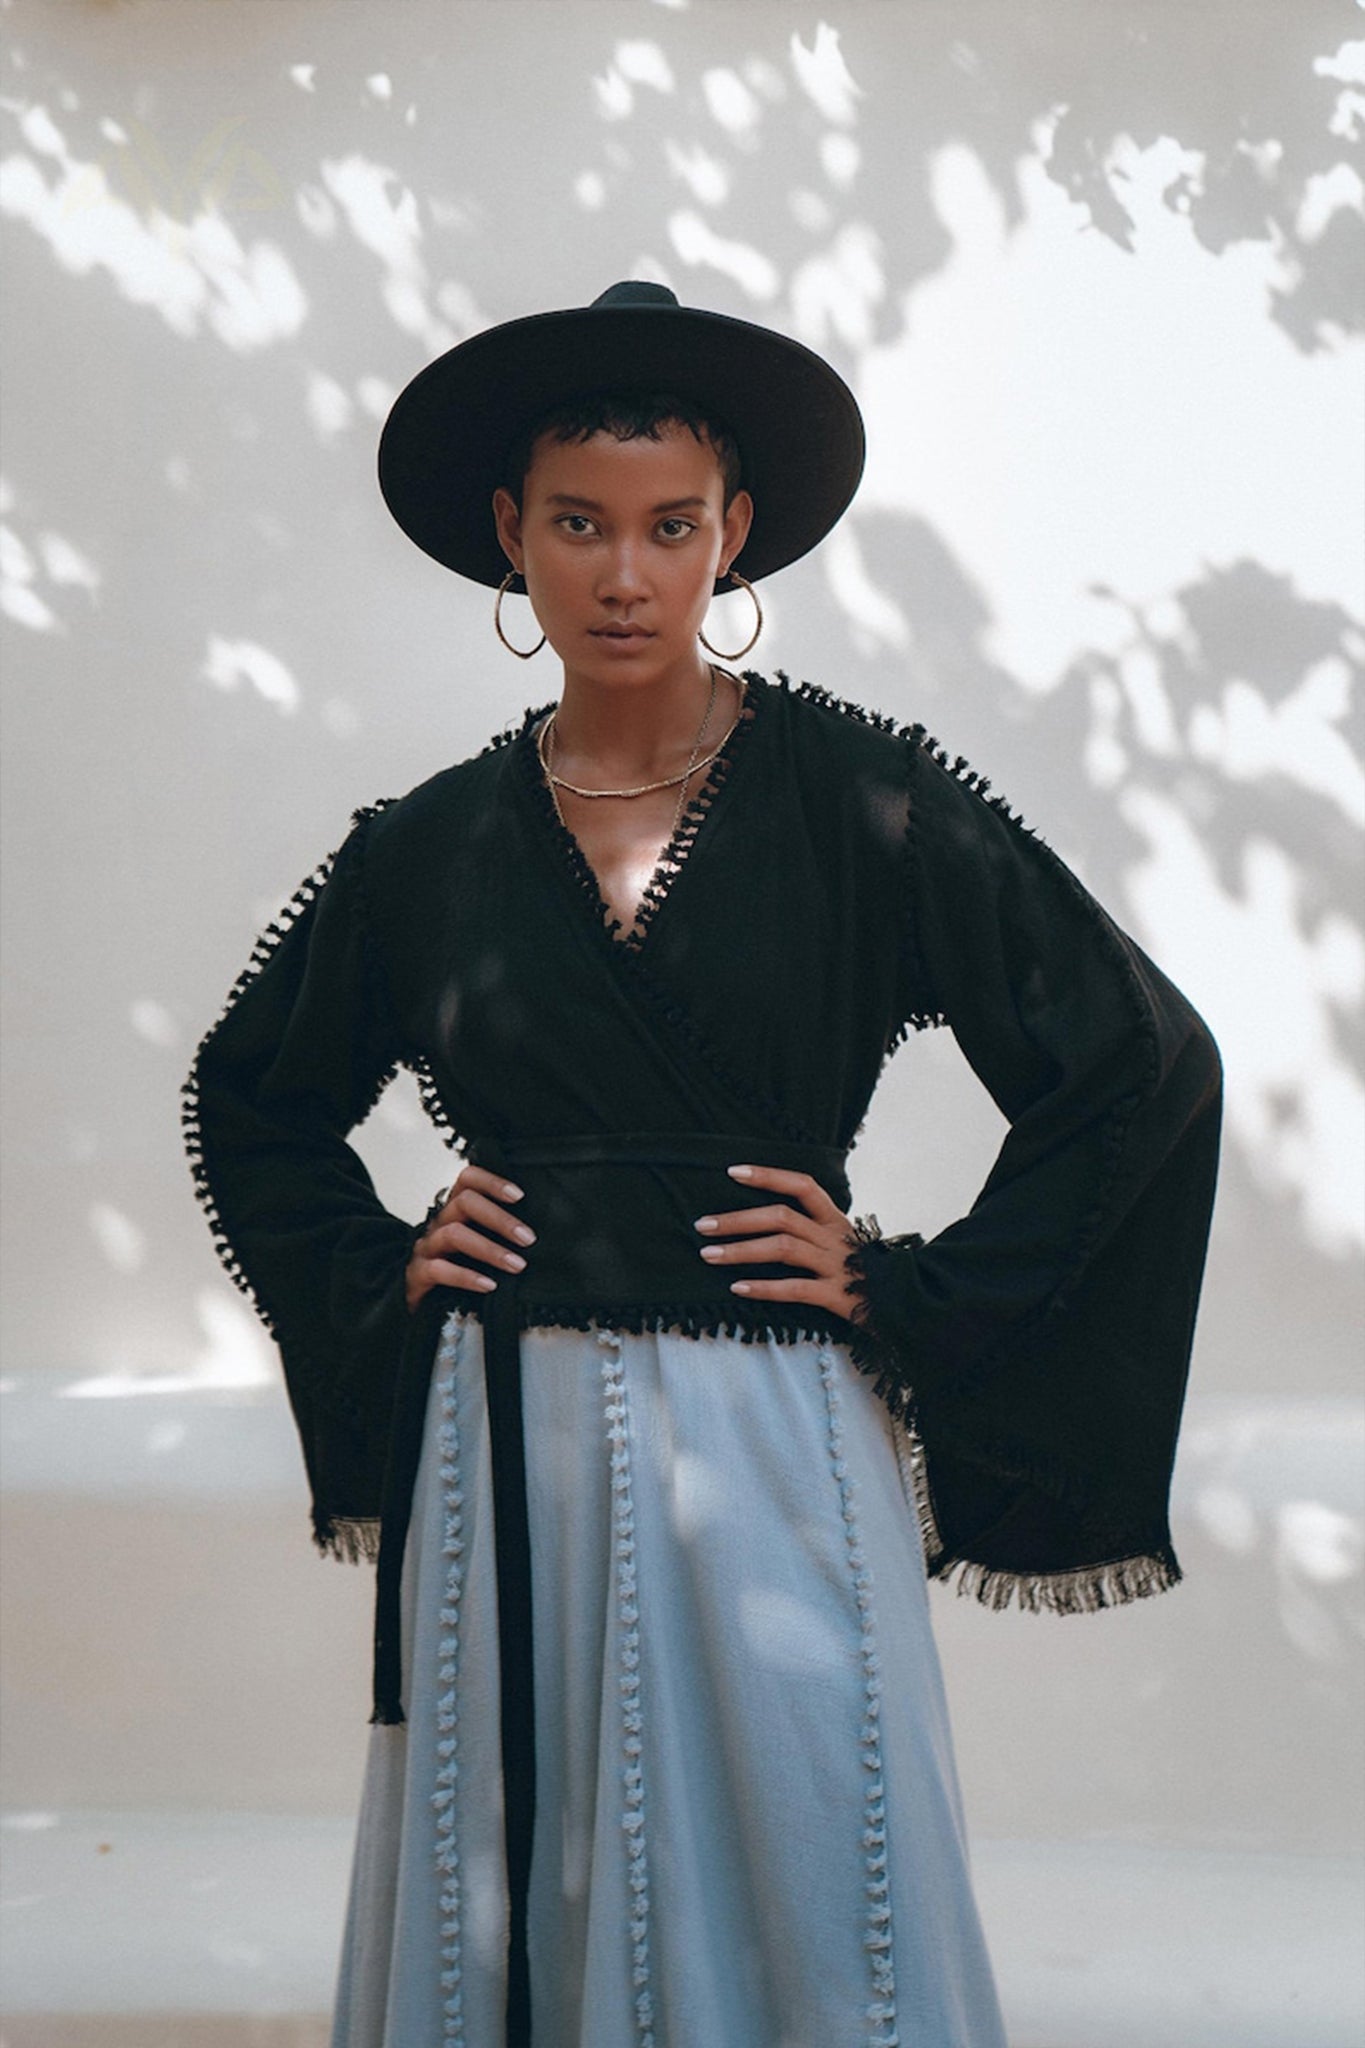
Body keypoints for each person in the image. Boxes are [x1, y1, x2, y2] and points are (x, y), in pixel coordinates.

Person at [184, 280, 1222, 2048]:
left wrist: (905, 1284)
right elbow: (252, 1101)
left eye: (669, 528)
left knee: (820, 1845)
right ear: (506, 538)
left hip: (774, 1431)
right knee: (528, 1868)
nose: (621, 574)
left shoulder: (864, 806)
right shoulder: (427, 849)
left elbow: (1133, 1060)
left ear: (732, 535)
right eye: (576, 525)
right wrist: (385, 1269)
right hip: (500, 1432)